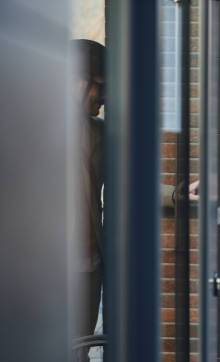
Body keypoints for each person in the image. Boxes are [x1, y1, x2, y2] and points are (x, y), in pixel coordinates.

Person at [71, 39, 199, 340]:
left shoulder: (100, 133)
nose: (104, 96)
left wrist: (178, 194)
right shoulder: (30, 128)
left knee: (78, 354)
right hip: (43, 267)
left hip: (88, 267)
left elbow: (128, 182)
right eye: (99, 85)